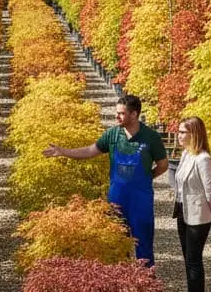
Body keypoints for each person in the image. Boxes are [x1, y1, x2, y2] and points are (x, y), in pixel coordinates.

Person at [43, 94, 168, 267]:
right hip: (116, 199)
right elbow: (89, 151)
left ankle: (146, 286)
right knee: (116, 243)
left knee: (144, 245)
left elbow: (163, 165)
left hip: (141, 200)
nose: (117, 117)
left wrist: (146, 178)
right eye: (117, 113)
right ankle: (120, 285)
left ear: (134, 114)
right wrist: (63, 151)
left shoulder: (151, 137)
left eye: (121, 113)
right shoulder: (112, 135)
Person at [170, 116, 211, 292]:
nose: (179, 135)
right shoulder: (186, 154)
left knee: (193, 260)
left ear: (194, 134)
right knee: (189, 258)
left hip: (198, 215)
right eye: (179, 132)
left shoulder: (203, 159)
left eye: (183, 132)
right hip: (183, 210)